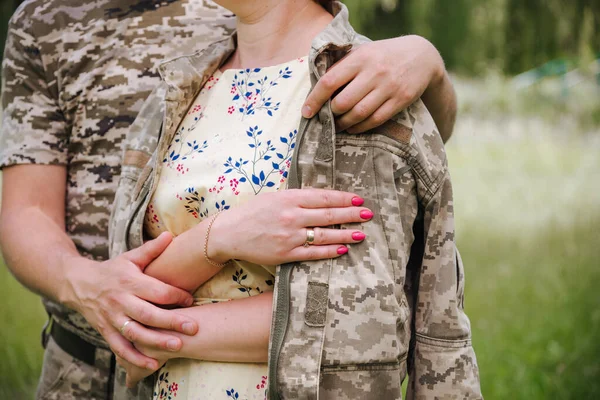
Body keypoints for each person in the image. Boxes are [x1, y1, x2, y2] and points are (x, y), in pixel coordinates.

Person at [0, 0, 457, 399]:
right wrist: (93, 287)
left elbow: (361, 301)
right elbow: (25, 210)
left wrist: (428, 61)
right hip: (88, 360)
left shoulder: (281, 35)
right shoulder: (46, 20)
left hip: (261, 369)